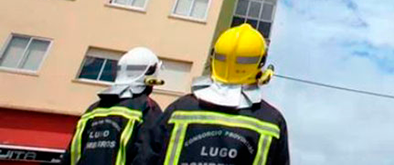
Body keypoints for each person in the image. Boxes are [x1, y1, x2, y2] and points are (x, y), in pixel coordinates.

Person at [136, 24, 288, 165]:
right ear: (260, 64)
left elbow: (145, 158)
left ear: (214, 58)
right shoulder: (271, 122)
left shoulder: (180, 109)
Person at [61, 48, 164, 165]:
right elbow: (147, 157)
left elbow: (71, 155)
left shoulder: (92, 110)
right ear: (150, 75)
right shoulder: (147, 108)